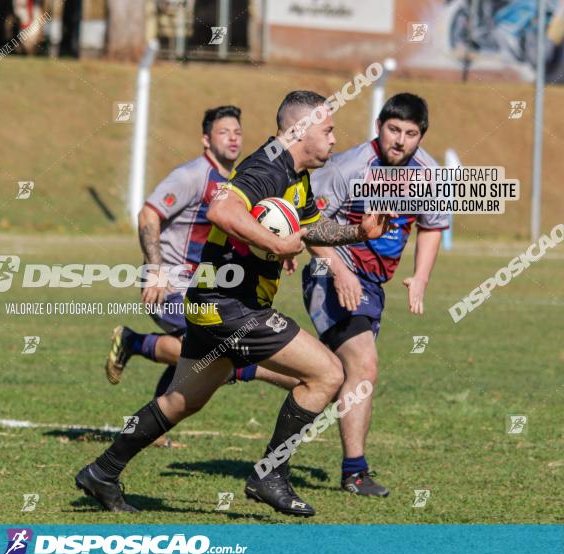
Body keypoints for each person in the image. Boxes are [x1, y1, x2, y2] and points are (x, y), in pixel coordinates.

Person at [76, 91, 394, 517]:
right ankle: (270, 475)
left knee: (181, 401)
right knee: (328, 373)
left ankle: (102, 471)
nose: (336, 139)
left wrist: (359, 233)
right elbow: (222, 210)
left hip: (213, 300)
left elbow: (313, 227)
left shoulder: (295, 173)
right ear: (301, 130)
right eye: (329, 130)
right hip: (232, 305)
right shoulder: (266, 168)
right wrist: (275, 241)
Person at [105, 106, 295, 422]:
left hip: (202, 288)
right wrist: (155, 269)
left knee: (193, 351)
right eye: (224, 132)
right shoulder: (192, 176)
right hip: (169, 285)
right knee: (211, 354)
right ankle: (133, 342)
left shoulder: (237, 179)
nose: (233, 139)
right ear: (206, 140)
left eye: (237, 132)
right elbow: (148, 214)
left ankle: (154, 427)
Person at [303, 93, 449, 497]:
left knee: (335, 374)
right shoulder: (348, 168)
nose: (400, 141)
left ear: (421, 137)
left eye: (411, 134)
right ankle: (355, 473)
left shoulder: (428, 173)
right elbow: (308, 226)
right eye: (393, 130)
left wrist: (420, 277)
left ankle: (244, 366)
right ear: (379, 127)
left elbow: (432, 225)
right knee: (363, 367)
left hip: (372, 285)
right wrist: (339, 271)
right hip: (328, 273)